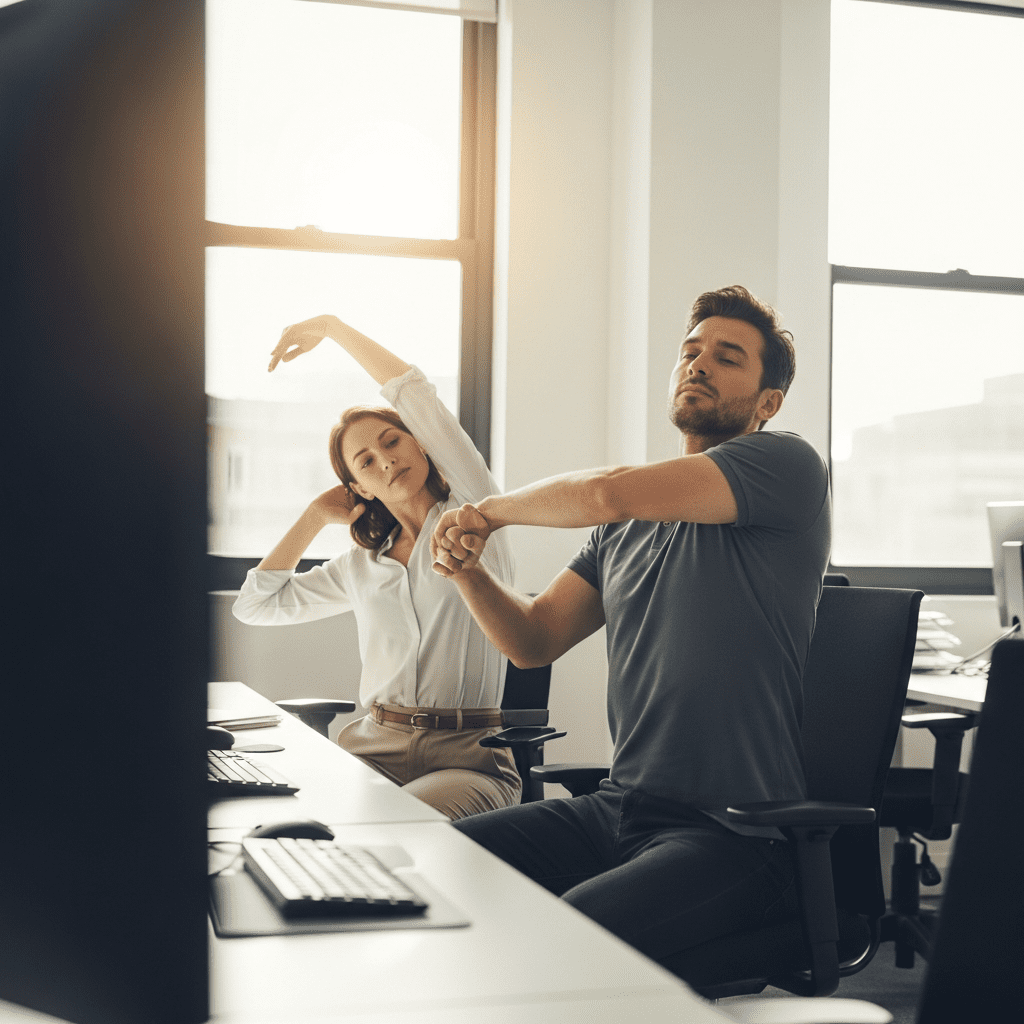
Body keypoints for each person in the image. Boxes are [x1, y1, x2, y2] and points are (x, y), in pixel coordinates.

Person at [429, 285, 831, 980]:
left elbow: (607, 490)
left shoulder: (788, 465)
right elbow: (533, 639)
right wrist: (467, 571)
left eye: (727, 357)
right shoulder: (628, 527)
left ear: (768, 402)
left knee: (563, 946)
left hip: (734, 833)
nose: (698, 364)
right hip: (620, 807)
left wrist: (488, 513)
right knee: (439, 872)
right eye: (690, 351)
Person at [232, 314, 520, 819]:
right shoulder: (360, 565)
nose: (385, 461)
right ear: (359, 488)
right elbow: (256, 605)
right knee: (287, 823)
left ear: (422, 445)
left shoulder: (474, 513)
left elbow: (413, 394)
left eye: (392, 442)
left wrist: (331, 328)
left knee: (402, 824)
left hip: (467, 756)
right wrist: (315, 515)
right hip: (371, 747)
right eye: (365, 461)